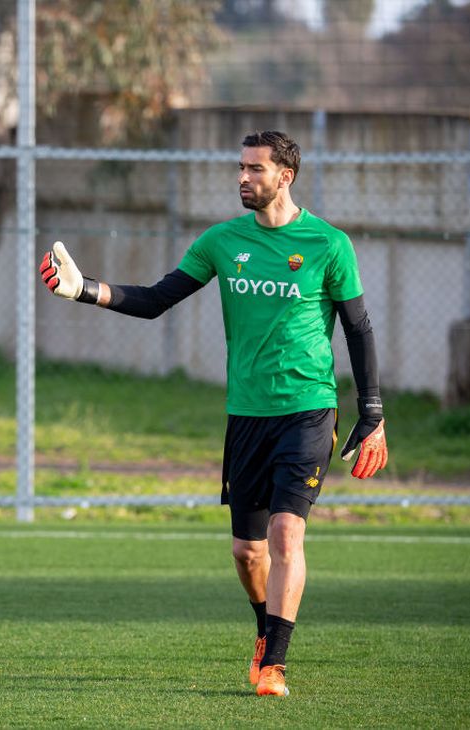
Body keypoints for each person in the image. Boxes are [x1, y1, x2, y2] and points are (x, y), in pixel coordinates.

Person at [39, 130, 388, 697]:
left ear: (285, 176)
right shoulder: (222, 242)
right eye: (241, 167)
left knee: (286, 533)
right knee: (247, 553)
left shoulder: (328, 244)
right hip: (246, 414)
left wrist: (371, 411)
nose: (243, 177)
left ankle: (274, 666)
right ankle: (264, 632)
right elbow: (156, 300)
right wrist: (84, 290)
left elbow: (359, 329)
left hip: (308, 410)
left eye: (255, 169)